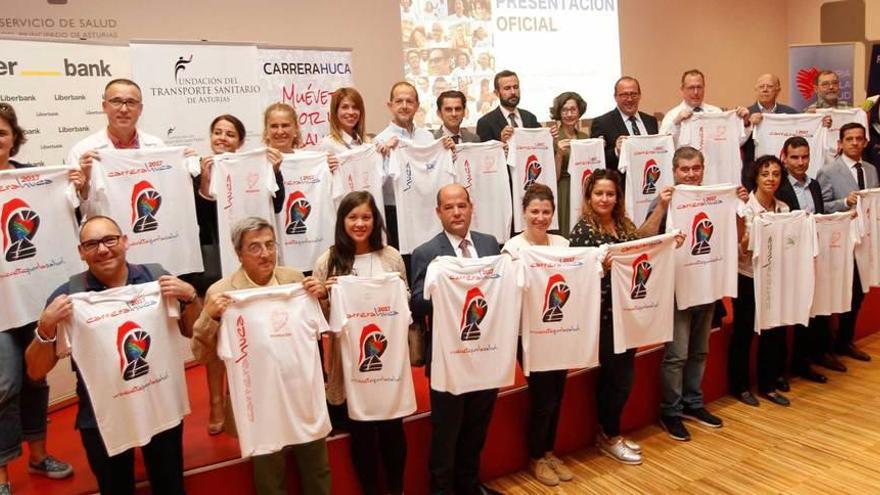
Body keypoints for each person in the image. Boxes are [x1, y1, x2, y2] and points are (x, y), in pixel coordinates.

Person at [25, 216, 202, 495]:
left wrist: (191, 296)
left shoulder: (155, 278)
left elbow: (194, 331)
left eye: (110, 240)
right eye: (92, 244)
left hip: (159, 403)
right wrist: (46, 328)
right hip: (100, 416)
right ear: (81, 252)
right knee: (115, 489)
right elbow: (35, 372)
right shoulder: (69, 297)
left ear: (124, 241)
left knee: (171, 487)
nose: (103, 249)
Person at [191, 217, 331, 495]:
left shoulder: (296, 281)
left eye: (269, 245)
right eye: (254, 247)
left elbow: (324, 327)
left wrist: (323, 298)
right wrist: (210, 316)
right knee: (269, 475)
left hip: (301, 391)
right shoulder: (222, 293)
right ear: (238, 253)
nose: (265, 253)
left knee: (317, 466)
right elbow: (200, 353)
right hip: (257, 399)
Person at [568, 169, 674, 464]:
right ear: (589, 196)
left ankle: (609, 432)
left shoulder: (623, 224)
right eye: (599, 193)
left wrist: (665, 240)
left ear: (618, 197)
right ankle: (609, 435)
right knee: (616, 379)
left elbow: (641, 243)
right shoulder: (583, 231)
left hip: (629, 314)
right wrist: (600, 268)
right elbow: (577, 277)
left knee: (623, 378)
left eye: (610, 194)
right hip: (604, 319)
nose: (605, 199)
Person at [0, 103, 77, 495]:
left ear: (14, 138)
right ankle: (1, 474)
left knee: (36, 377)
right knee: (4, 383)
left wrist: (73, 187)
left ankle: (38, 455)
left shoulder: (35, 180)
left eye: (1, 132)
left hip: (33, 299)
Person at [313, 192, 408, 495]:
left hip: (388, 364)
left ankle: (396, 490)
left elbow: (403, 305)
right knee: (363, 438)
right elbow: (320, 320)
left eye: (366, 217)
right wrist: (323, 295)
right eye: (352, 217)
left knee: (393, 433)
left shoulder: (391, 258)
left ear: (375, 220)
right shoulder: (328, 261)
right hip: (349, 367)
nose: (359, 223)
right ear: (342, 222)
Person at [410, 184, 503, 495]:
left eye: (461, 205)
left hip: (485, 352)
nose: (457, 212)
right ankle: (442, 490)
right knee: (446, 432)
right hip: (448, 359)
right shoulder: (426, 252)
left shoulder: (490, 244)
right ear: (438, 213)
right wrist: (446, 287)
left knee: (477, 428)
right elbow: (417, 304)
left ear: (471, 207)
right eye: (449, 207)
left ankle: (469, 485)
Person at [650, 147, 747, 441]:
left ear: (703, 169)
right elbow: (646, 240)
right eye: (684, 169)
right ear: (675, 171)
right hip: (678, 288)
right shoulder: (666, 199)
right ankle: (671, 411)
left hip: (708, 283)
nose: (691, 174)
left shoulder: (716, 198)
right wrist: (662, 208)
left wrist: (739, 205)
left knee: (700, 351)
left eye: (695, 168)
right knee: (677, 355)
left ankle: (693, 403)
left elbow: (738, 234)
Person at [501, 184, 573, 487]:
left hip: (559, 329)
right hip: (528, 333)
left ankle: (548, 450)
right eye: (535, 212)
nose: (540, 217)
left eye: (546, 212)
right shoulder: (512, 249)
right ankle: (535, 457)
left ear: (553, 213)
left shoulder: (562, 244)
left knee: (558, 394)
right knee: (543, 397)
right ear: (524, 213)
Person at [775, 137, 845, 381]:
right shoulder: (778, 186)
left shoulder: (814, 185)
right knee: (787, 317)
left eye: (805, 157)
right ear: (785, 158)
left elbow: (821, 215)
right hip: (788, 261)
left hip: (814, 257)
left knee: (812, 312)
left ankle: (804, 362)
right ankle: (781, 369)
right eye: (795, 157)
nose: (800, 162)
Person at [729, 155, 792, 407]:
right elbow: (740, 249)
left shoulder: (784, 208)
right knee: (743, 333)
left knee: (773, 332)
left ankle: (768, 384)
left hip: (774, 279)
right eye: (765, 174)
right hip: (747, 277)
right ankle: (740, 386)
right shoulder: (743, 207)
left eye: (776, 174)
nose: (770, 179)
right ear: (755, 176)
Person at [817, 122, 879, 361]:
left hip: (865, 240)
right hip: (840, 242)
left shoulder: (871, 169)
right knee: (839, 292)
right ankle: (827, 345)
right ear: (840, 143)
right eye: (849, 139)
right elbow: (821, 206)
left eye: (859, 139)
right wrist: (845, 202)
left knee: (858, 293)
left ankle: (845, 341)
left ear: (865, 142)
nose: (855, 143)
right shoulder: (829, 170)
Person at [375, 82, 454, 249]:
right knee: (406, 265)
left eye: (409, 101)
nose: (404, 106)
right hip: (396, 215)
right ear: (390, 105)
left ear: (417, 106)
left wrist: (447, 152)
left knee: (431, 260)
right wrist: (384, 156)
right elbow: (377, 185)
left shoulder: (428, 137)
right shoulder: (380, 141)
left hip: (427, 213)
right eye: (399, 101)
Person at [67, 79, 167, 201]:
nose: (124, 109)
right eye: (116, 101)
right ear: (104, 106)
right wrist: (84, 184)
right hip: (105, 220)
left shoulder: (157, 146)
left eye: (131, 102)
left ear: (140, 109)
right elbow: (74, 206)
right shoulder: (82, 151)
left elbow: (166, 192)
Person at [742, 74, 826, 187]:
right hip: (755, 177)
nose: (765, 90)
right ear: (756, 89)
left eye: (769, 86)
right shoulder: (745, 115)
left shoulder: (791, 113)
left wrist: (815, 121)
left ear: (778, 90)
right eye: (762, 86)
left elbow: (802, 137)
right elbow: (737, 143)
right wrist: (748, 124)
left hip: (788, 177)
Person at [659, 70, 750, 144]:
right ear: (682, 90)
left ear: (704, 88)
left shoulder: (716, 112)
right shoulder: (672, 115)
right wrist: (676, 122)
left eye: (699, 87)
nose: (696, 92)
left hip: (713, 164)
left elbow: (733, 142)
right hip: (687, 166)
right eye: (691, 88)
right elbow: (663, 145)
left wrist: (745, 123)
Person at [589, 76, 659, 171]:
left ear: (640, 96)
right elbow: (595, 160)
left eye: (633, 94)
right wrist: (616, 151)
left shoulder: (650, 121)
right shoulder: (602, 123)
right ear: (615, 97)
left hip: (649, 181)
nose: (630, 99)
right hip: (620, 183)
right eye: (624, 95)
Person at [550, 91, 589, 236]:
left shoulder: (585, 137)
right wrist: (559, 154)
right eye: (565, 110)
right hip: (563, 190)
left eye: (573, 109)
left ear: (579, 111)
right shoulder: (553, 138)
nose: (569, 114)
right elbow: (553, 178)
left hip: (583, 190)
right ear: (559, 113)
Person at [476, 70, 545, 143]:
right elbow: (485, 153)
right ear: (496, 93)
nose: (513, 92)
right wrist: (502, 142)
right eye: (507, 88)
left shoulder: (530, 118)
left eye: (516, 87)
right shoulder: (485, 123)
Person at [320, 87, 370, 154]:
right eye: (345, 107)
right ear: (335, 111)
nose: (351, 112)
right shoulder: (328, 144)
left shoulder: (367, 142)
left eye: (355, 107)